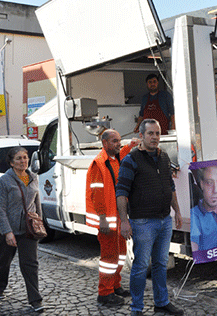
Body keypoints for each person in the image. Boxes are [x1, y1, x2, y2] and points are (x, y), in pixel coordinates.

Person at [116, 119, 185, 316]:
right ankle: (137, 308)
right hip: (143, 222)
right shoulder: (131, 159)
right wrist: (124, 221)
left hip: (164, 220)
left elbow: (170, 187)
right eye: (150, 134)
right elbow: (121, 191)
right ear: (141, 136)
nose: (155, 137)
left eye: (157, 133)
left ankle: (161, 303)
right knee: (140, 266)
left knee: (161, 264)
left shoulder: (163, 157)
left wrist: (177, 211)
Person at [85, 129, 138, 306]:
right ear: (105, 143)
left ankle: (115, 286)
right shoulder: (99, 164)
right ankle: (104, 293)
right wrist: (102, 219)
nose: (119, 143)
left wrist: (130, 146)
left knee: (120, 254)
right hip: (107, 219)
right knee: (109, 258)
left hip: (117, 217)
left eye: (120, 140)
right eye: (115, 141)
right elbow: (97, 194)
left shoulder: (114, 159)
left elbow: (121, 152)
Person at [0, 146, 44, 313]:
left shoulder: (33, 177)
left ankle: (35, 300)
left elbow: (36, 202)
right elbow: (0, 209)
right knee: (3, 262)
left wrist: (39, 224)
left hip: (28, 230)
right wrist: (7, 232)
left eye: (25, 158)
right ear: (11, 163)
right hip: (5, 230)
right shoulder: (4, 181)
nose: (23, 161)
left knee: (30, 264)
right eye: (19, 159)